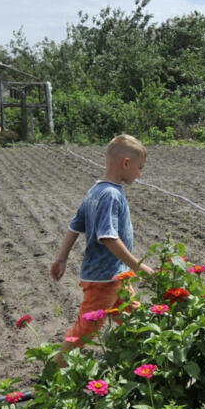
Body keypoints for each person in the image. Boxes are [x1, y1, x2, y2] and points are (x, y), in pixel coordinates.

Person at [50, 134, 155, 353]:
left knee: (137, 322)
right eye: (140, 167)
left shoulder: (95, 191)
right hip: (104, 278)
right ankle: (50, 378)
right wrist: (139, 266)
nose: (140, 173)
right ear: (126, 163)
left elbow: (74, 227)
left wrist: (61, 258)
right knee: (84, 331)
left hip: (117, 277)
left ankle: (147, 367)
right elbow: (108, 237)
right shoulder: (110, 195)